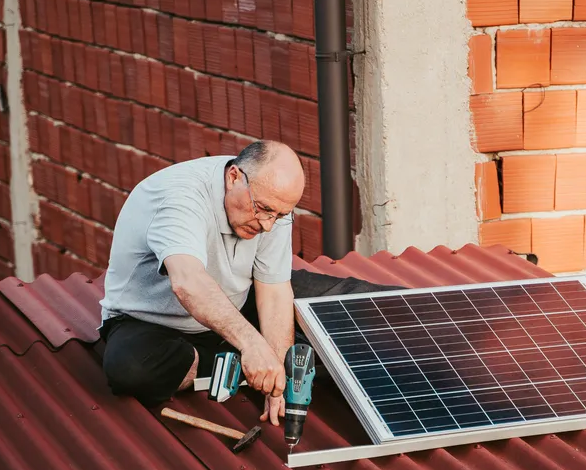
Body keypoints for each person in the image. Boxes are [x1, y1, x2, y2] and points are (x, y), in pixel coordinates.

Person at [97, 140, 396, 425]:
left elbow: (275, 288)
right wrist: (253, 344)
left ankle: (248, 358)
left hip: (236, 301)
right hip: (152, 323)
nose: (268, 224)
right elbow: (188, 282)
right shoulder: (179, 198)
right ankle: (233, 357)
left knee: (354, 304)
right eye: (264, 210)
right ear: (233, 177)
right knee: (130, 371)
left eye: (280, 215)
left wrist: (278, 379)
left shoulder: (271, 203)